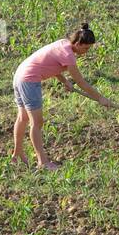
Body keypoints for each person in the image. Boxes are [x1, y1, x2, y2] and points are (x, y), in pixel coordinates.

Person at [11, 23, 110, 170]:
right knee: (36, 123)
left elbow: (48, 62)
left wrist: (64, 80)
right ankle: (42, 162)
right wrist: (100, 98)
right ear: (77, 43)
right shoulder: (68, 55)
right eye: (85, 48)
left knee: (23, 118)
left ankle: (17, 154)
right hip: (29, 80)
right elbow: (81, 82)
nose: (86, 52)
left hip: (20, 75)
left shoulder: (63, 44)